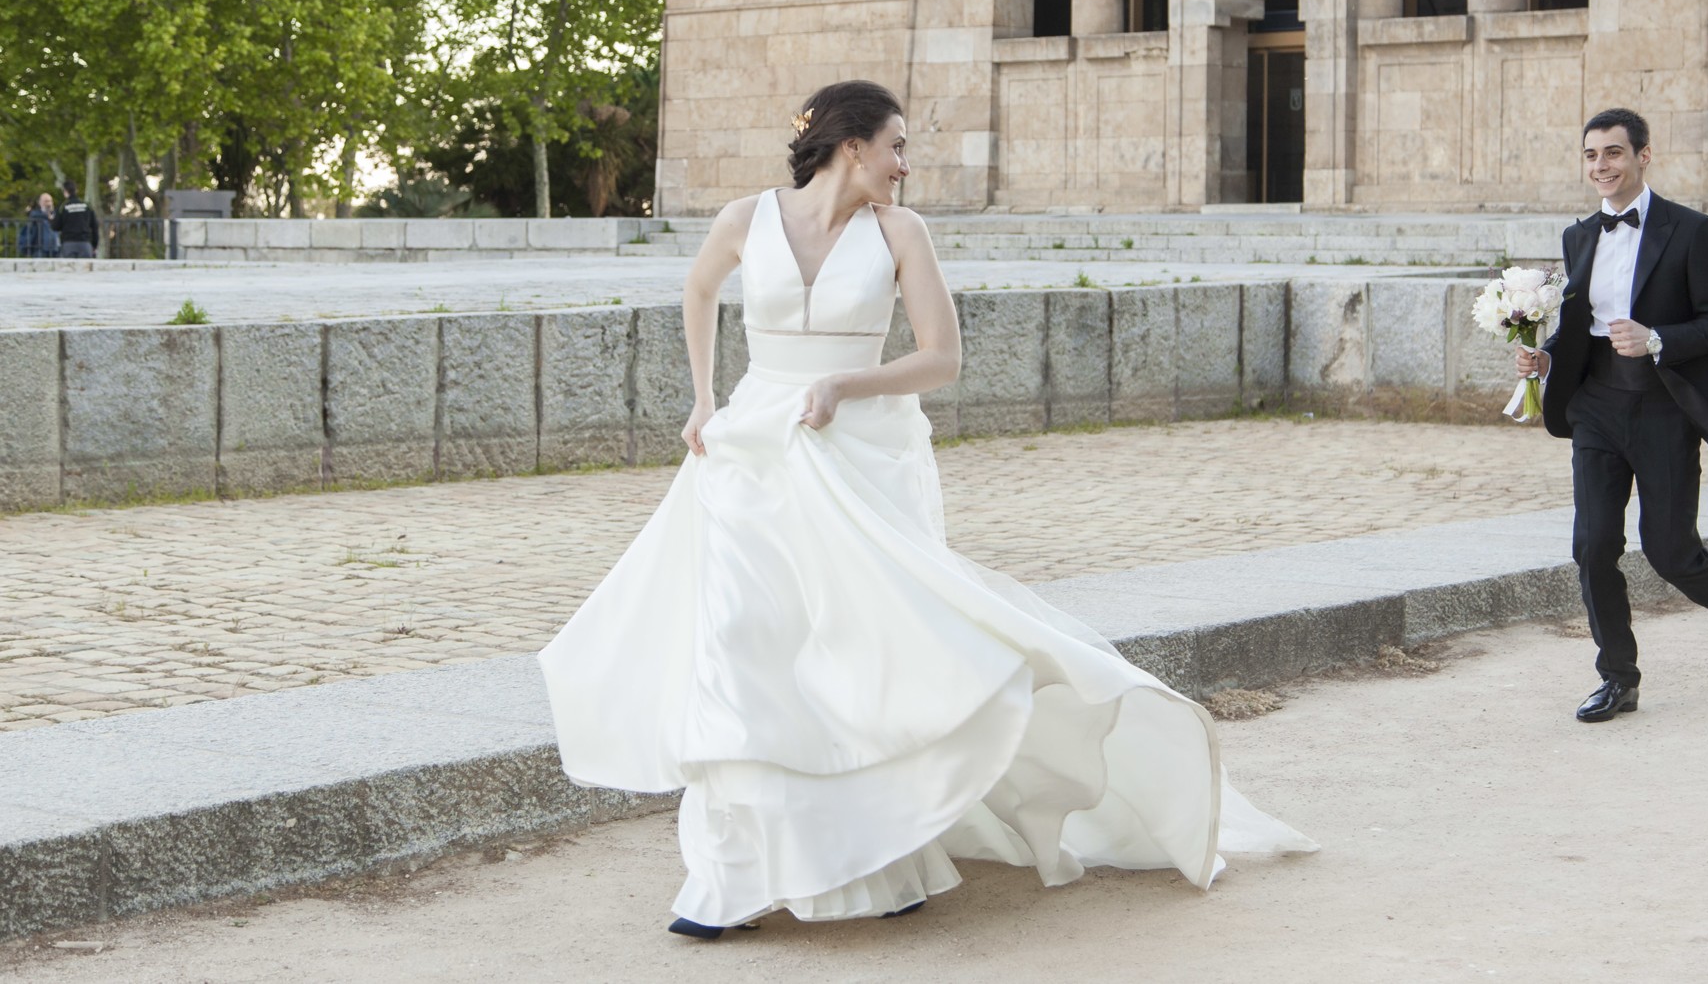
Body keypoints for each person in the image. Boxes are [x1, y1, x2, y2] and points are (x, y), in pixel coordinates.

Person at [540, 80, 1314, 939]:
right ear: (851, 148)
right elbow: (697, 293)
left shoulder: (901, 234)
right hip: (752, 453)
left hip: (858, 453)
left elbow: (941, 358)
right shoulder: (743, 218)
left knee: (863, 653)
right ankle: (727, 876)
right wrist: (699, 397)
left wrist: (845, 382)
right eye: (897, 147)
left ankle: (881, 863)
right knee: (742, 641)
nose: (906, 165)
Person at [1514, 108, 1708, 724]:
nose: (1602, 166)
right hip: (1595, 404)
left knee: (1669, 549)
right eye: (1592, 155)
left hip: (1664, 407)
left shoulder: (1692, 230)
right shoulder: (1579, 236)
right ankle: (1618, 677)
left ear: (1643, 157)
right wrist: (1544, 360)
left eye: (1614, 153)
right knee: (1592, 546)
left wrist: (1657, 340)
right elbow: (1578, 326)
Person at [54, 182, 98, 259]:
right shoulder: (87, 205)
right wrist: (94, 245)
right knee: (85, 269)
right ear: (76, 190)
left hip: (68, 243)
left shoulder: (63, 206)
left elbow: (55, 226)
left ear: (65, 191)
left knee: (68, 269)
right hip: (85, 243)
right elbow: (95, 226)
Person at [17, 192, 59, 258]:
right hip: (40, 248)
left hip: (55, 248)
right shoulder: (36, 214)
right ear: (40, 203)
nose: (49, 203)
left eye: (50, 201)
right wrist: (48, 217)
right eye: (46, 201)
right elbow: (33, 215)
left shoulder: (56, 214)